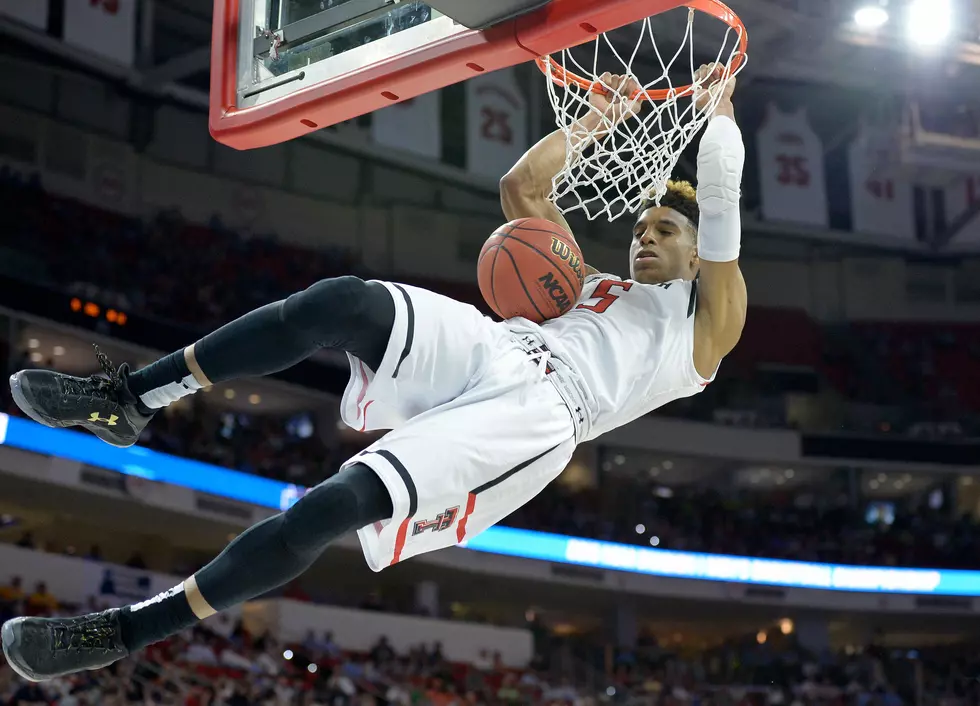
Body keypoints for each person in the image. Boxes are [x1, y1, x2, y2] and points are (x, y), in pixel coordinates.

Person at [1, 63, 746, 682]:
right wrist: (593, 123)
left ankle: (121, 634)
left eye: (666, 231)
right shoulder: (588, 286)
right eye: (644, 227)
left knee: (329, 508)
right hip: (502, 345)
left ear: (694, 254)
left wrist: (721, 114)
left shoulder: (706, 325)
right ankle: (129, 398)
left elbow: (720, 205)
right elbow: (523, 191)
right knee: (341, 302)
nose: (646, 237)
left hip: (543, 417)